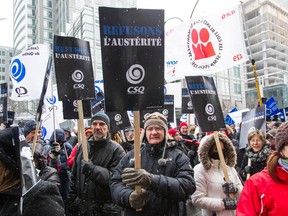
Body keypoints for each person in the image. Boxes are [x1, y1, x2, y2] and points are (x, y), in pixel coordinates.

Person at [110, 112, 196, 215]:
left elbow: (187, 186)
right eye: (150, 129)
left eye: (158, 128)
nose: (154, 132)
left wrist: (152, 180)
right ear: (145, 132)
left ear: (165, 131)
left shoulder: (179, 156)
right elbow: (115, 183)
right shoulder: (132, 156)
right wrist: (128, 197)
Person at [68, 111, 125, 215]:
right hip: (83, 209)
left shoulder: (116, 150)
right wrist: (72, 200)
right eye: (94, 124)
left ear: (108, 128)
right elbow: (74, 177)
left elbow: (115, 179)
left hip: (104, 211)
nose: (98, 127)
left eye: (102, 124)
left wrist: (92, 170)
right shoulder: (82, 147)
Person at [0, 127, 65, 216]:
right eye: (33, 132)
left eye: (38, 132)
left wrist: (55, 157)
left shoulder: (38, 194)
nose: (37, 135)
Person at [237, 122, 288, 215]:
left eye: (258, 140)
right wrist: (245, 172)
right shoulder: (247, 156)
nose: (255, 143)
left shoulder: (268, 154)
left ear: (262, 141)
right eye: (253, 140)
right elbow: (240, 172)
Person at [191, 133, 243, 216]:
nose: (220, 151)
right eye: (216, 149)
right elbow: (197, 199)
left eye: (223, 148)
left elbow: (243, 193)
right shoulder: (200, 169)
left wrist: (236, 189)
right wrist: (223, 204)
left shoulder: (230, 168)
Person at [48, 128, 73, 215]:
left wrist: (64, 166)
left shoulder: (68, 147)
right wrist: (54, 157)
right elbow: (47, 165)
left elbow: (71, 161)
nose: (59, 143)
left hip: (65, 177)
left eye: (60, 141)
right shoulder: (49, 148)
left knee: (66, 197)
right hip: (53, 178)